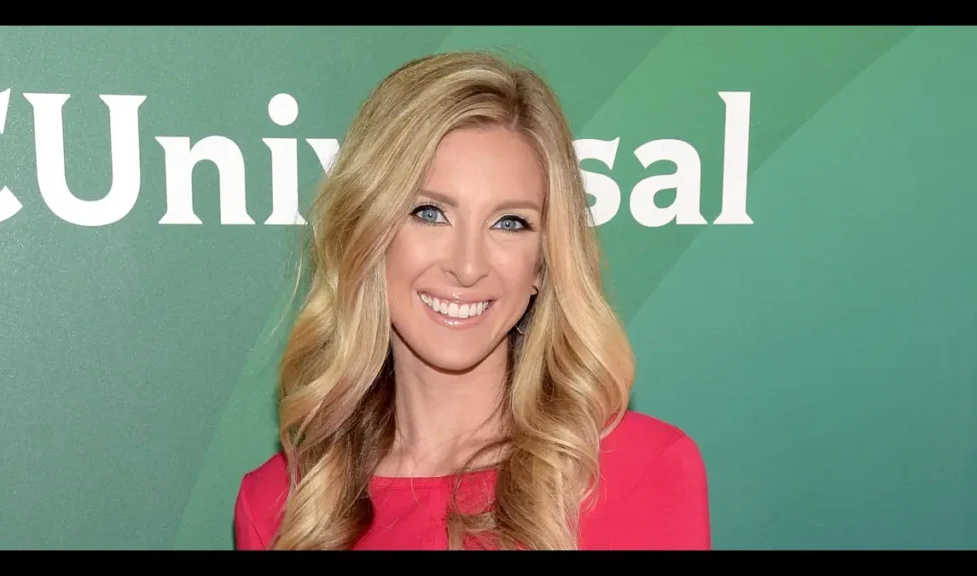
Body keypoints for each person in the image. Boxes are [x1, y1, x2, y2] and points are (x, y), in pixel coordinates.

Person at [233, 50, 711, 551]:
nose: (467, 266)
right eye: (429, 213)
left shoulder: (641, 471)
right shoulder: (282, 506)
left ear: (542, 265)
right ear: (368, 235)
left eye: (510, 223)